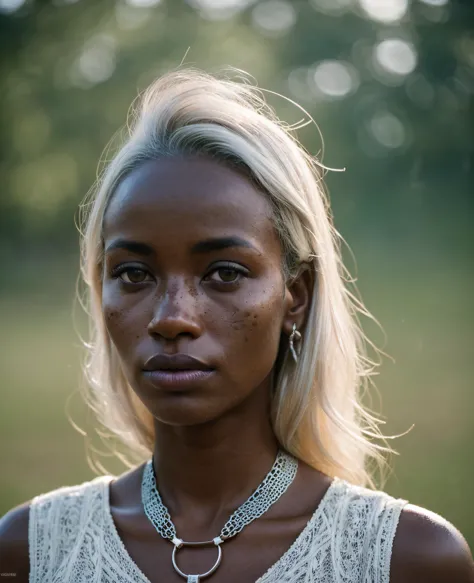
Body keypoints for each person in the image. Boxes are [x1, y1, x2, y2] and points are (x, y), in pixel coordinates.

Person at [0, 68, 472, 583]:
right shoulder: (30, 552)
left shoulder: (404, 559)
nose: (172, 317)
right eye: (133, 274)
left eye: (224, 272)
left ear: (296, 295)